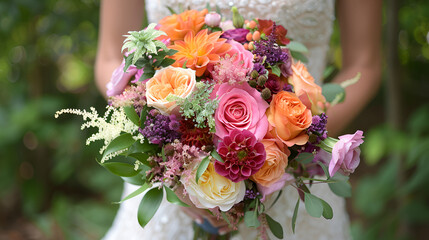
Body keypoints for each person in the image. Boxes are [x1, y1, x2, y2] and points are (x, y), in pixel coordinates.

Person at [95, 0, 382, 239]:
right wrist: (178, 170)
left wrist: (292, 143)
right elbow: (110, 56)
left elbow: (364, 64)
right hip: (171, 189)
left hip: (293, 180)